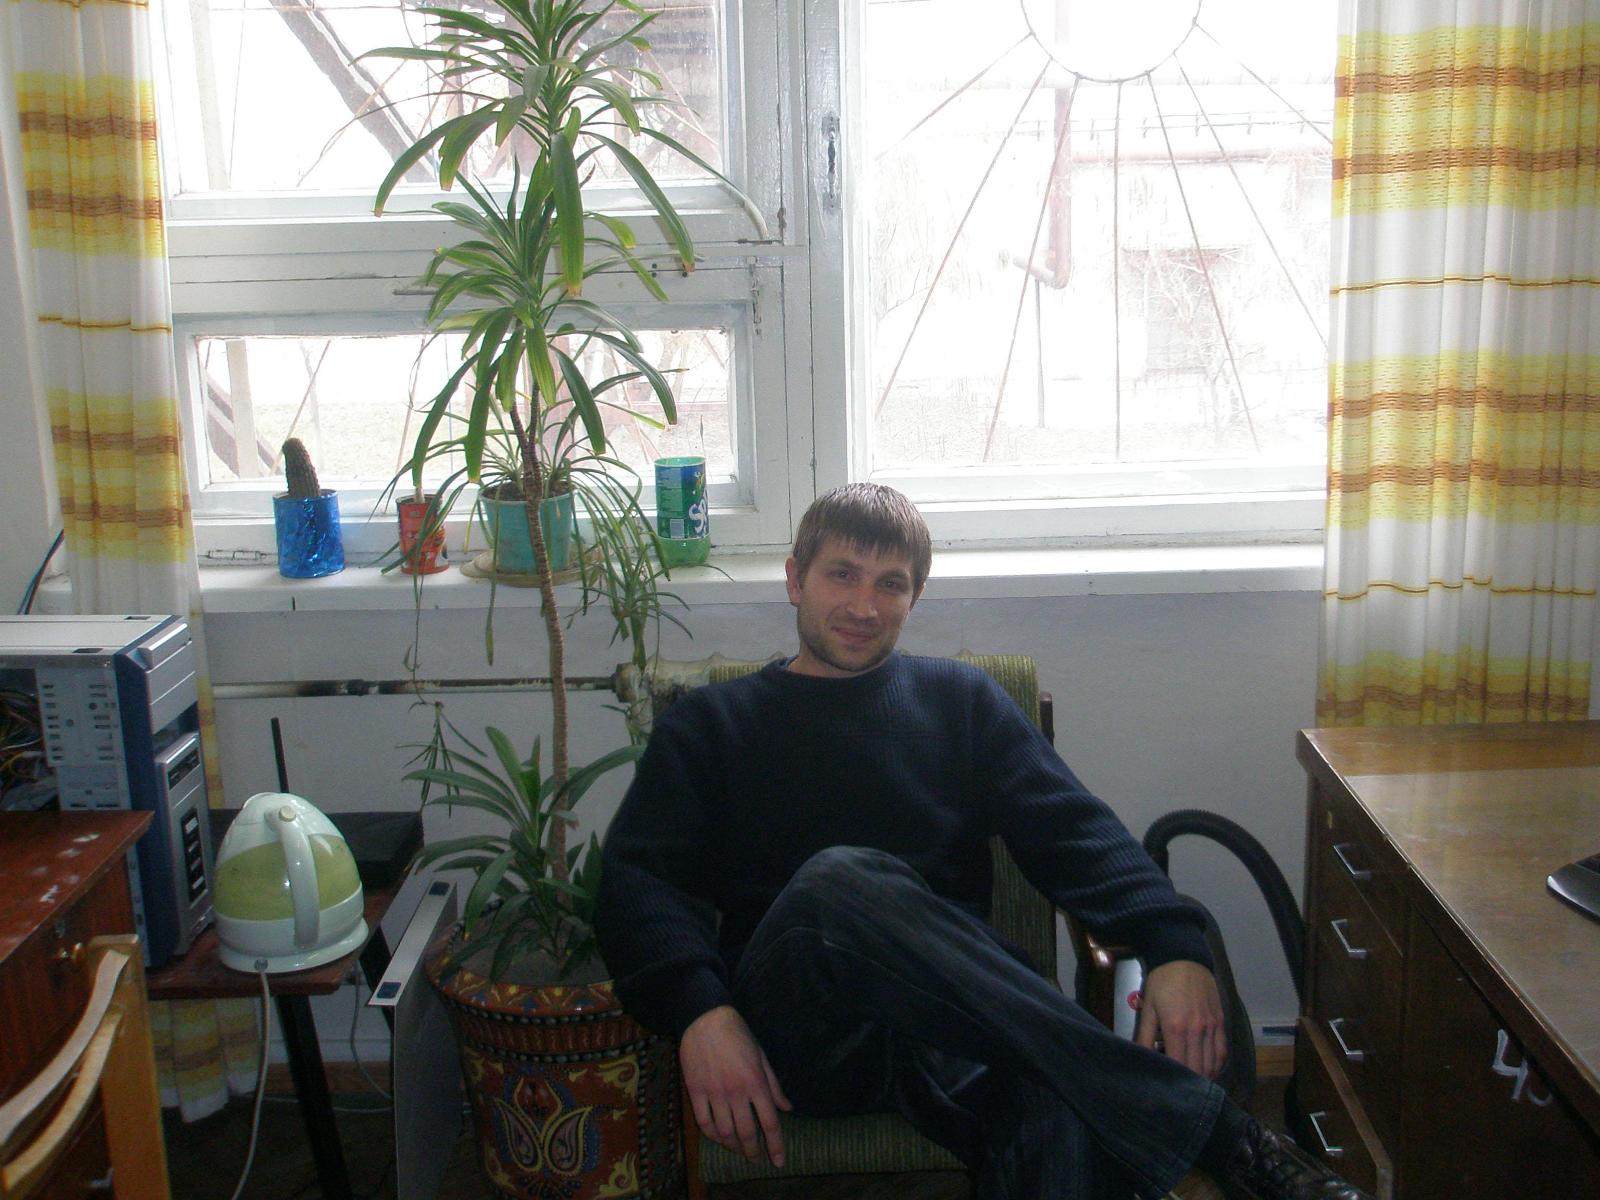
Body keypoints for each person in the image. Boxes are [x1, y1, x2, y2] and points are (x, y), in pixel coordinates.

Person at [596, 483, 1370, 1200]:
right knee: (840, 882)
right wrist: (701, 1012)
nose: (864, 604)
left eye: (890, 584)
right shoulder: (713, 723)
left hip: (956, 1024)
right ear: (796, 579)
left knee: (1056, 1109)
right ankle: (1226, 1139)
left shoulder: (959, 701)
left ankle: (1181, 1128)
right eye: (842, 575)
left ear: (915, 597)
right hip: (802, 1031)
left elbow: (1073, 830)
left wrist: (1173, 944)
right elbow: (638, 885)